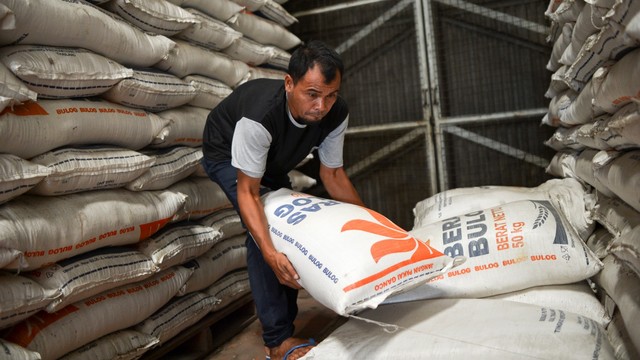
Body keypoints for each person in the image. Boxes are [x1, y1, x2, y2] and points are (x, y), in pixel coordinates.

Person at [201, 40, 364, 360]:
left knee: (289, 224)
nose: (322, 106)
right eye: (313, 94)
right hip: (227, 155)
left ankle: (286, 326)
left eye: (331, 95)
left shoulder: (336, 113)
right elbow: (248, 192)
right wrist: (269, 250)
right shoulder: (260, 116)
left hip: (271, 163)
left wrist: (370, 225)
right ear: (289, 83)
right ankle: (277, 342)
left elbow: (333, 176)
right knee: (267, 231)